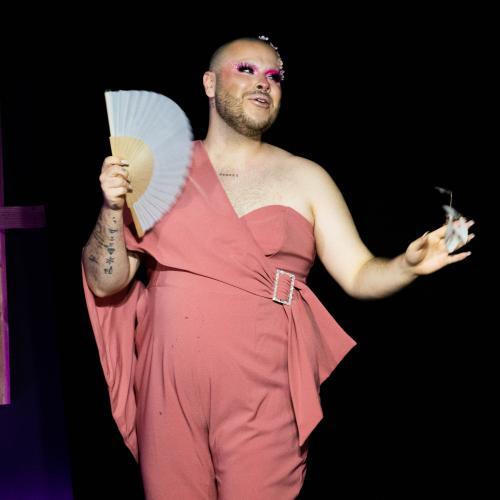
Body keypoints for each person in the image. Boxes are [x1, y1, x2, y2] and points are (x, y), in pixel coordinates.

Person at [81, 36, 474, 499]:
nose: (264, 83)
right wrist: (112, 208)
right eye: (247, 70)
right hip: (167, 392)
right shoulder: (159, 171)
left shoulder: (306, 177)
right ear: (209, 83)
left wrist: (406, 266)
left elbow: (358, 273)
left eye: (275, 76)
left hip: (263, 390)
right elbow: (105, 283)